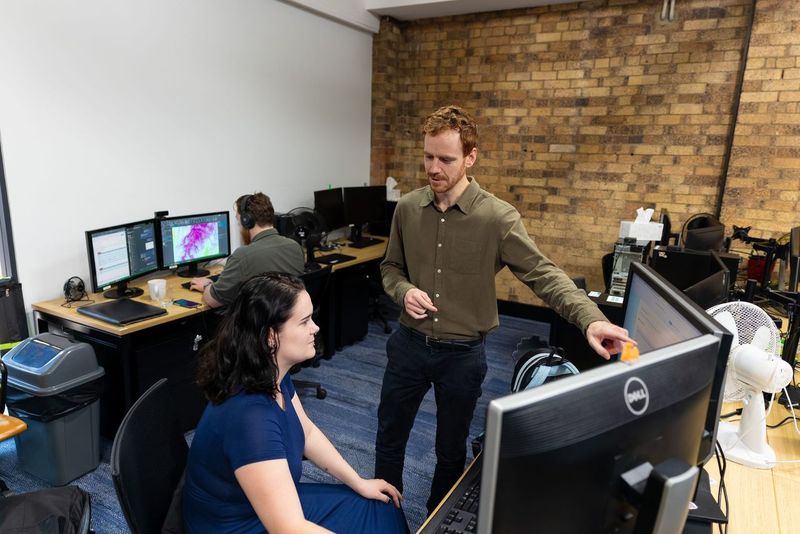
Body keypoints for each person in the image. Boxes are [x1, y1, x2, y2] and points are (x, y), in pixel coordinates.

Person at [376, 105, 635, 513]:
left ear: (471, 157)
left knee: (449, 449)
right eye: (428, 156)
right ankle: (381, 514)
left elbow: (544, 274)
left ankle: (435, 519)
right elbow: (390, 267)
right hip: (408, 345)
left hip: (462, 356)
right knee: (389, 436)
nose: (433, 167)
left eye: (446, 159)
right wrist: (403, 289)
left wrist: (591, 319)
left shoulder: (497, 217)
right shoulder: (407, 208)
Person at [183, 272, 409, 533]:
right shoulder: (250, 419)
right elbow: (288, 528)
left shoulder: (270, 372)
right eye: (304, 322)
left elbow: (308, 432)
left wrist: (358, 482)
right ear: (271, 336)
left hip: (259, 510)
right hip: (238, 526)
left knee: (384, 508)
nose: (316, 328)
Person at [189, 193, 304, 308]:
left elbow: (213, 301)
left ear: (246, 221)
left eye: (239, 223)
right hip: (287, 320)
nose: (240, 228)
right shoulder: (295, 247)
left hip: (256, 324)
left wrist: (206, 285)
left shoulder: (243, 256)